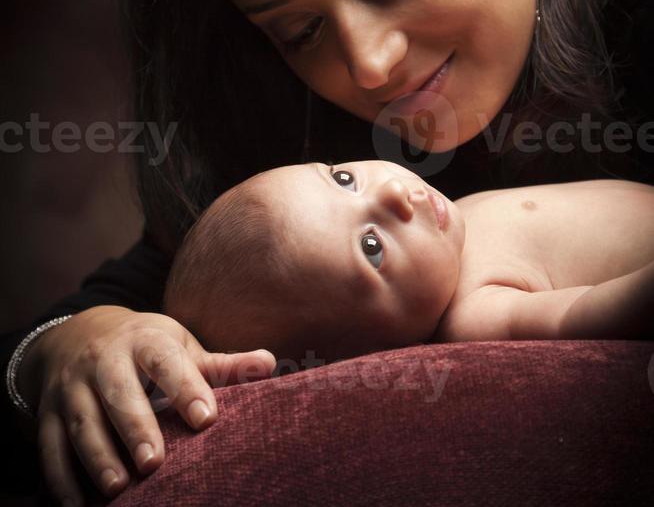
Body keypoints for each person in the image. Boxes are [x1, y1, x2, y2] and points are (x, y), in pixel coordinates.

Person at [3, 0, 653, 507]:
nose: (371, 65)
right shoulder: (302, 143)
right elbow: (121, 312)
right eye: (300, 31)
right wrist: (62, 351)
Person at [162, 160, 654, 366]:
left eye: (343, 180)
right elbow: (587, 311)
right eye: (372, 247)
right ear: (380, 348)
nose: (394, 192)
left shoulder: (450, 238)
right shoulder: (473, 314)